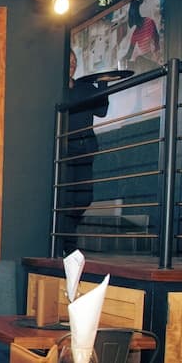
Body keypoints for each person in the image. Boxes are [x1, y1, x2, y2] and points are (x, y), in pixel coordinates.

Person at [62, 50, 109, 251]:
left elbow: (102, 111)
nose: (73, 64)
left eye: (75, 61)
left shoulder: (86, 88)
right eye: (69, 60)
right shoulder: (57, 90)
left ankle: (65, 236)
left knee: (84, 198)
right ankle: (69, 245)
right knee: (66, 199)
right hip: (64, 151)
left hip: (85, 148)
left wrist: (103, 84)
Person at [123, 0, 160, 71]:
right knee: (137, 61)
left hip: (153, 55)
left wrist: (155, 54)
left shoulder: (149, 22)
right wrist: (122, 59)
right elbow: (130, 52)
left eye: (135, 18)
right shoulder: (135, 33)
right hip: (145, 56)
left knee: (139, 60)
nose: (135, 23)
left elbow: (156, 39)